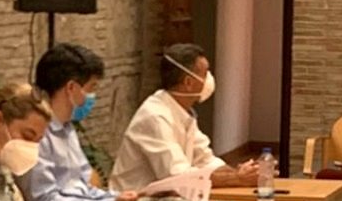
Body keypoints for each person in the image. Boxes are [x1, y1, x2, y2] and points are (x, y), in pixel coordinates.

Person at [22, 42, 139, 201]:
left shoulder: (68, 129)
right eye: (91, 88)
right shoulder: (37, 136)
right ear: (71, 88)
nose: (92, 97)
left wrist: (121, 199)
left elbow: (85, 189)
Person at [109, 43, 258, 192]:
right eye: (205, 74)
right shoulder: (155, 117)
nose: (209, 79)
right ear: (188, 82)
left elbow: (206, 160)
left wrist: (240, 173)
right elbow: (177, 176)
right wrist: (236, 178)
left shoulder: (183, 112)